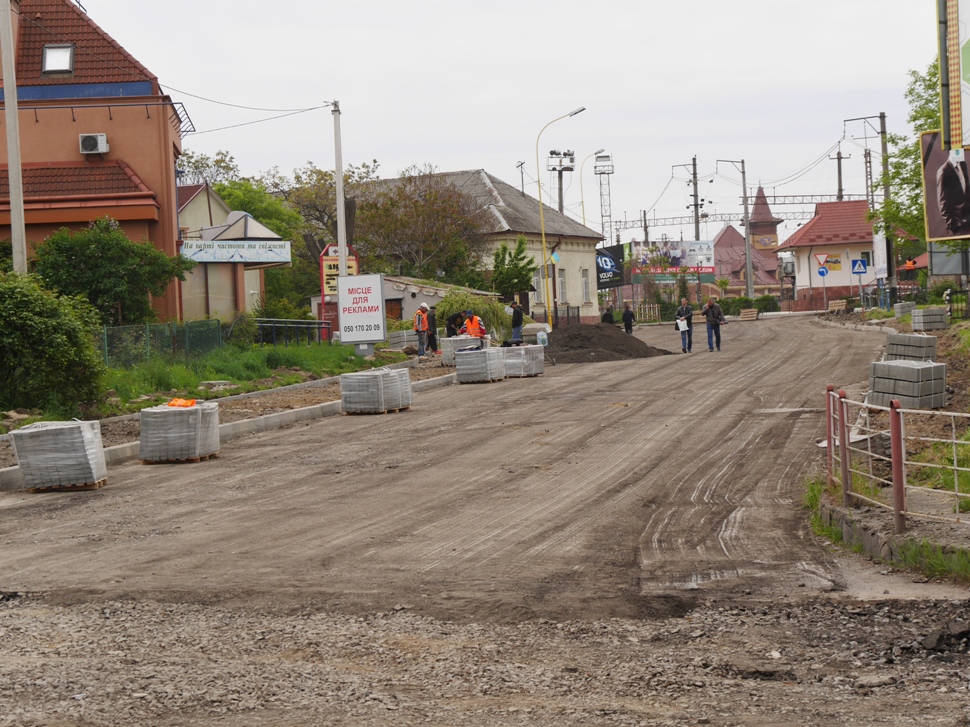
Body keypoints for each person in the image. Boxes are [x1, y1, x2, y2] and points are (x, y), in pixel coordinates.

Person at [937, 148, 970, 236]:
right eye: (957, 152)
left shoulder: (962, 164)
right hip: (958, 227)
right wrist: (953, 227)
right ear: (950, 152)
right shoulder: (944, 171)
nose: (960, 154)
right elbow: (943, 203)